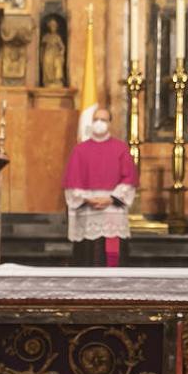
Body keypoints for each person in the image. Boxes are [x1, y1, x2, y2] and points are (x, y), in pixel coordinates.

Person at [62, 106, 138, 267]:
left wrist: (110, 199)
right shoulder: (80, 150)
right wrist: (89, 199)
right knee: (87, 255)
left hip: (112, 209)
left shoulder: (121, 148)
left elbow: (129, 178)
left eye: (103, 120)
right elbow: (72, 180)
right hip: (88, 209)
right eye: (96, 119)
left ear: (110, 123)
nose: (99, 123)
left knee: (112, 257)